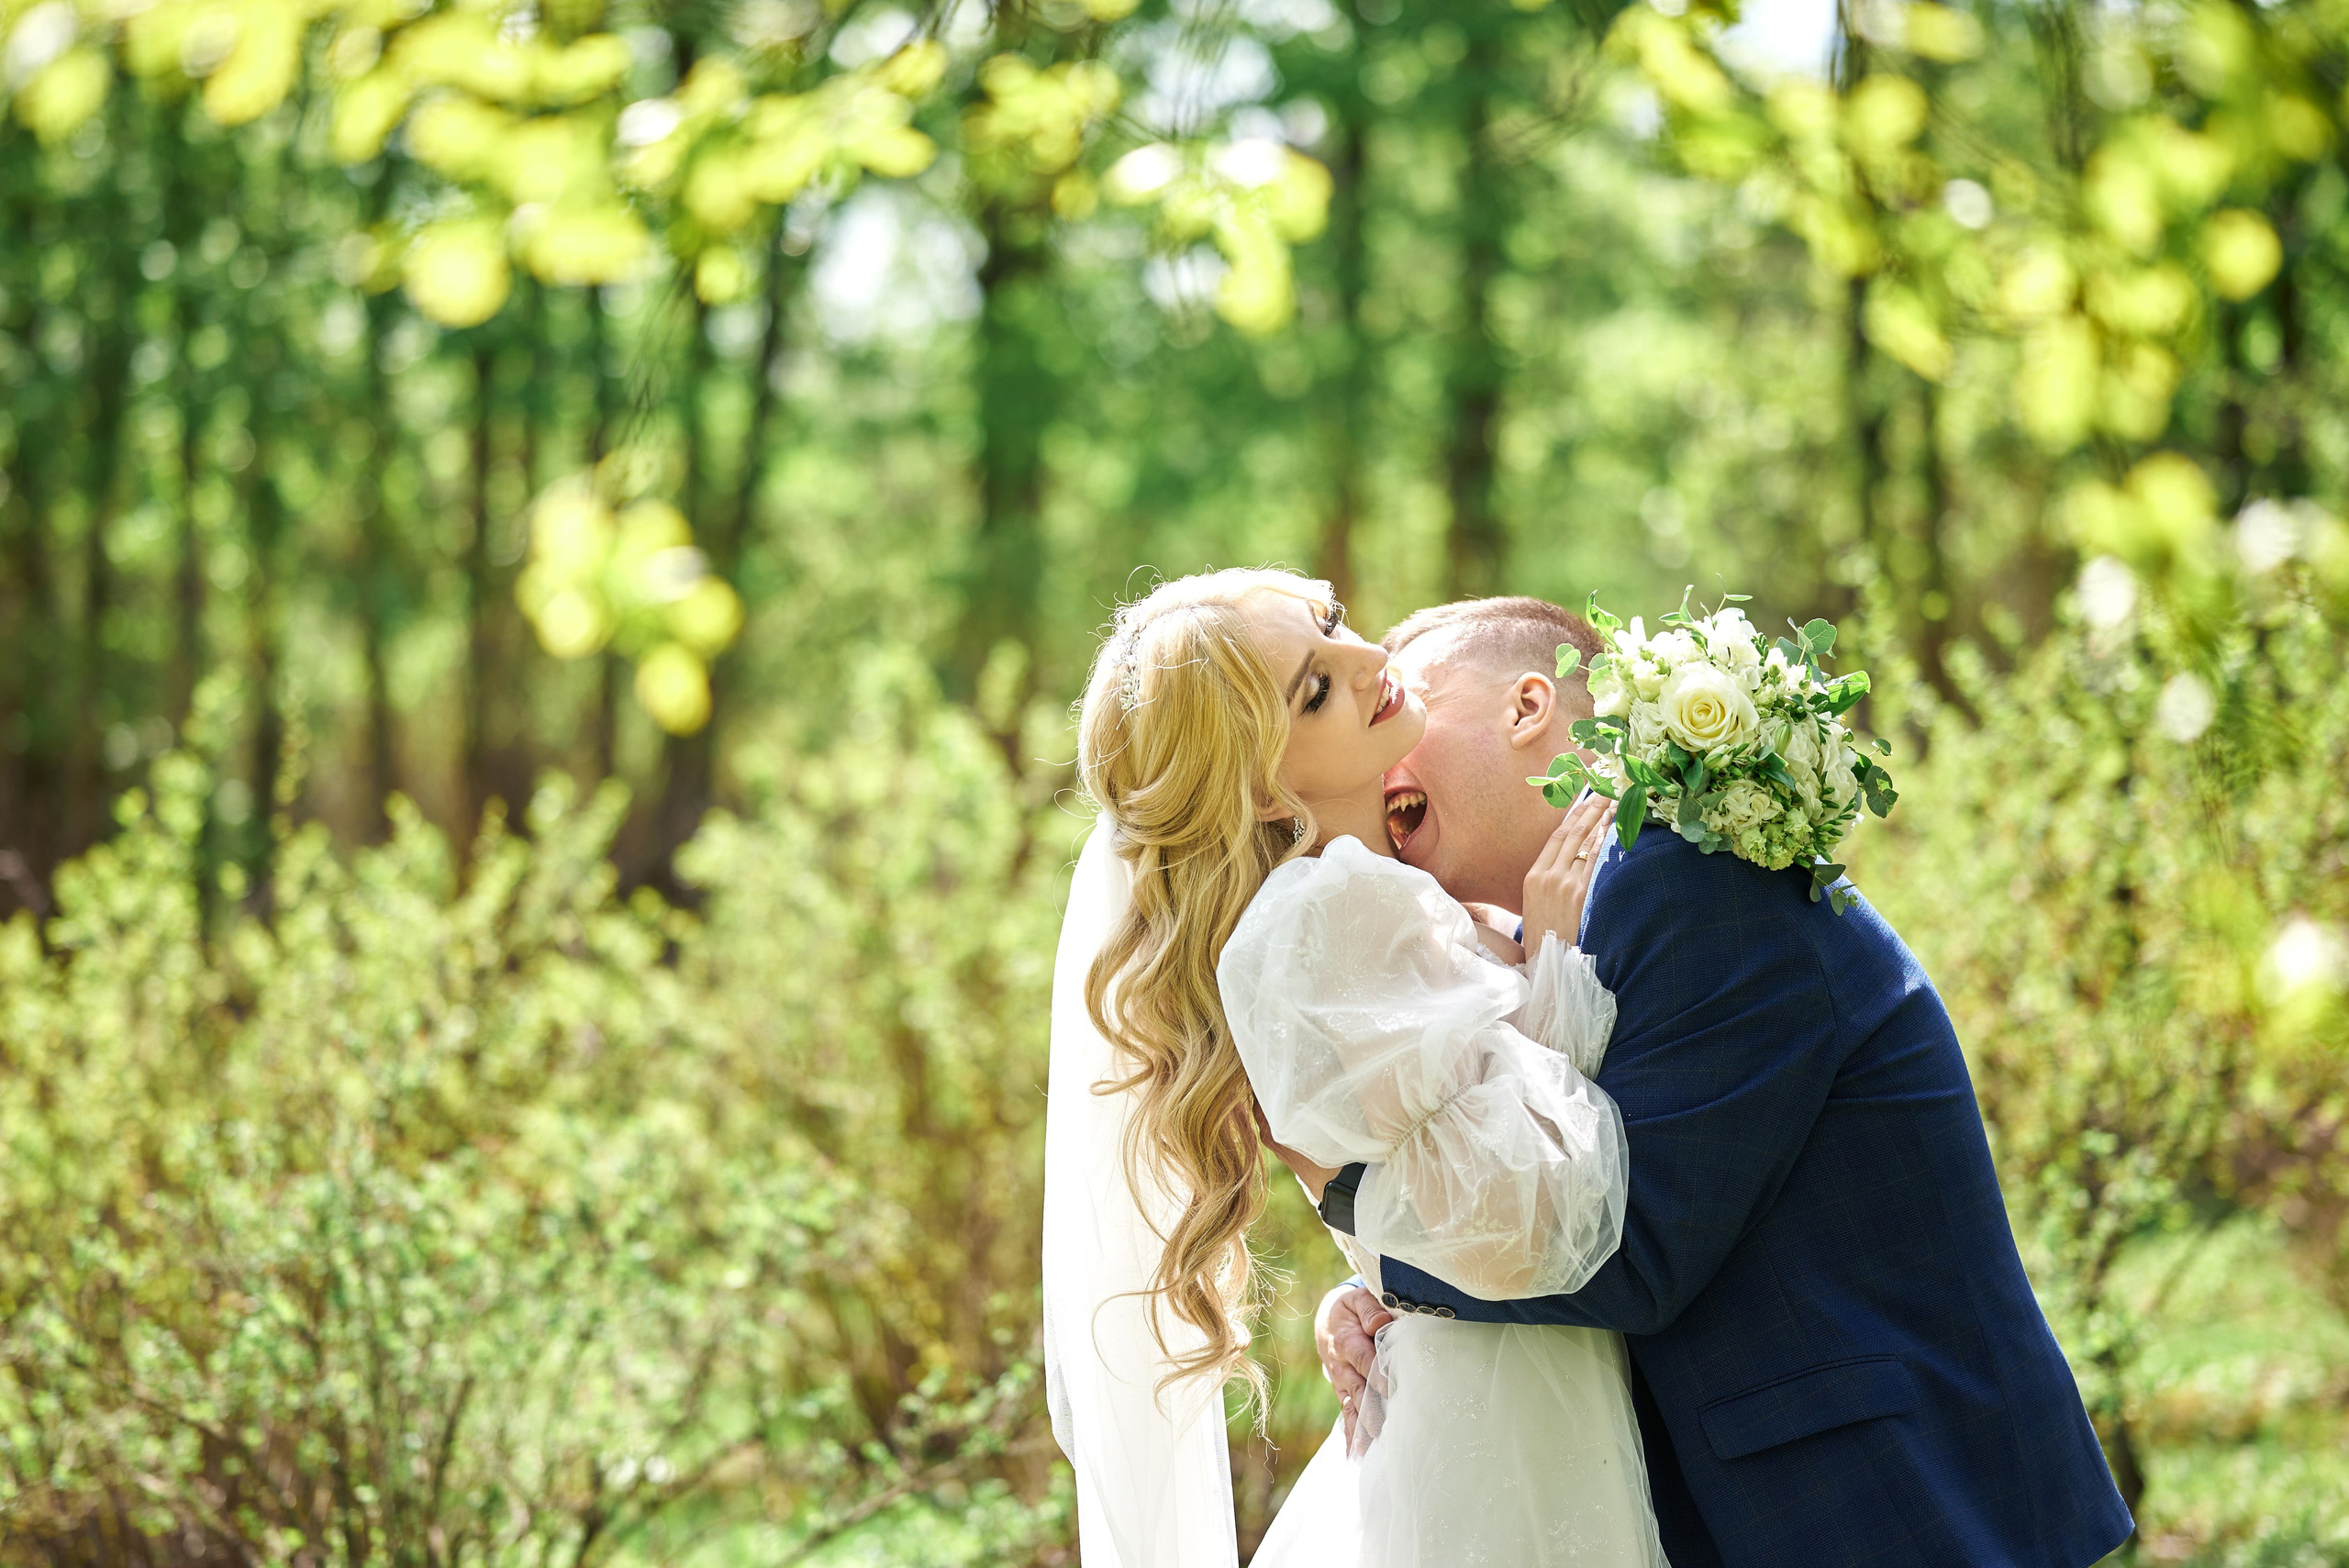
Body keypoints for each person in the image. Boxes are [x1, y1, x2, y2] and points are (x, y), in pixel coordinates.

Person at [1289, 594, 2136, 1568]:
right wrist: (1381, 1299)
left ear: (1527, 706)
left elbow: (1633, 1247)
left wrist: (1367, 1226)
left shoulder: (1688, 878)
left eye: (1410, 702)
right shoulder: (1578, 915)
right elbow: (1543, 1175)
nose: (1382, 758)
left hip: (1878, 1501)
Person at [1042, 568, 1666, 1566]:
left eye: (1332, 624)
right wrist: (1553, 959)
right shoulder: (1326, 917)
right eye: (1316, 690)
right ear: (1259, 784)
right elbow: (1532, 1219)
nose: (1370, 658)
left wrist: (1376, 1288)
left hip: (1501, 1391)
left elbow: (1426, 1187)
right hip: (1502, 1430)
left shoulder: (1381, 899)